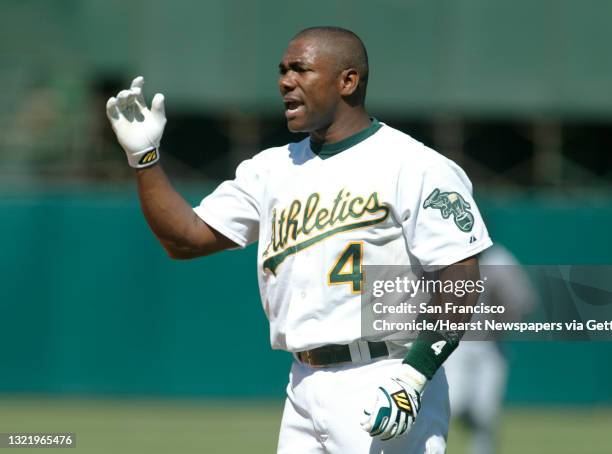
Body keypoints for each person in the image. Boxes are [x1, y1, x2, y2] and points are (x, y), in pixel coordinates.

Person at [106, 26, 492, 454]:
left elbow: (460, 281)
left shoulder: (415, 166)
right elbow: (185, 240)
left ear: (348, 81)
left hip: (385, 373)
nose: (285, 81)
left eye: (301, 69)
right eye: (282, 70)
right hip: (303, 382)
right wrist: (144, 160)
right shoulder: (271, 169)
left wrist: (412, 378)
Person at [444, 243, 536, 454]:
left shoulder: (499, 259)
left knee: (486, 412)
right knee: (455, 404)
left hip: (491, 346)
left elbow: (524, 301)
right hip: (456, 345)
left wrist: (506, 311)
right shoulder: (448, 255)